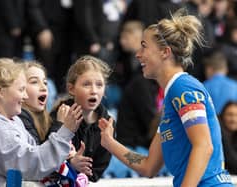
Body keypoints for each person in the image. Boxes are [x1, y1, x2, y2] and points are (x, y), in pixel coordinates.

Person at [98, 9, 233, 187]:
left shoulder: (182, 86)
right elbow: (149, 167)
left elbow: (204, 147)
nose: (138, 54)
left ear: (165, 52)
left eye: (144, 46)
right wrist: (109, 142)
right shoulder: (173, 96)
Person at [0, 58, 83, 186]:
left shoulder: (13, 121)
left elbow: (36, 156)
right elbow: (32, 165)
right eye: (21, 90)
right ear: (0, 91)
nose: (25, 96)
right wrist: (65, 132)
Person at [18, 61, 91, 186]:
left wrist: (71, 161)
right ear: (20, 89)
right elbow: (41, 163)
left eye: (45, 82)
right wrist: (60, 125)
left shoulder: (46, 119)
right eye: (34, 82)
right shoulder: (19, 118)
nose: (43, 87)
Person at [50, 55, 114, 182]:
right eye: (86, 84)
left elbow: (97, 171)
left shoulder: (108, 123)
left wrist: (83, 175)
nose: (94, 91)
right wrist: (70, 163)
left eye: (99, 85)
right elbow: (48, 158)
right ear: (71, 89)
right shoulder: (60, 115)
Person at [203, 50, 237, 114]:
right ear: (226, 69)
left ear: (209, 69)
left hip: (211, 123)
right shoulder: (235, 86)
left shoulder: (205, 86)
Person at [219, 101, 237, 175]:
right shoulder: (218, 134)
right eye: (230, 115)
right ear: (222, 116)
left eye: (236, 115)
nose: (233, 119)